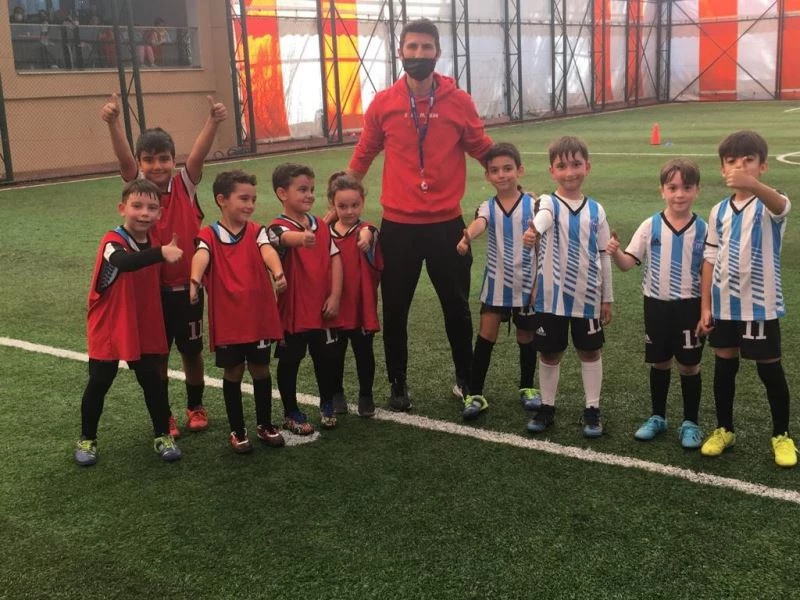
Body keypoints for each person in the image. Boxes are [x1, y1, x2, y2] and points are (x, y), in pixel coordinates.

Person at [347, 17, 494, 411]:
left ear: (437, 53)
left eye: (426, 47)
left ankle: (465, 378)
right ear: (401, 52)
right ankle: (398, 383)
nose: (418, 54)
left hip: (447, 226)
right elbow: (364, 153)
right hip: (399, 228)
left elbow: (482, 148)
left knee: (457, 307)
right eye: (412, 47)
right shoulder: (384, 102)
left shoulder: (458, 101)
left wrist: (512, 186)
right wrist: (337, 203)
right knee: (395, 311)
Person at [101, 92, 227, 438]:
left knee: (191, 351)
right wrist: (113, 122)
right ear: (141, 163)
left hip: (187, 288)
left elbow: (198, 155)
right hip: (150, 292)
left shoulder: (185, 184)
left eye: (164, 159)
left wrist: (213, 121)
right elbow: (124, 159)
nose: (157, 166)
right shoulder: (139, 190)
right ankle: (164, 415)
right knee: (156, 356)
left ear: (173, 160)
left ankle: (195, 405)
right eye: (149, 160)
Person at [696, 130, 797, 468]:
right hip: (724, 304)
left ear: (762, 166)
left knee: (770, 370)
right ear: (722, 169)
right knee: (725, 367)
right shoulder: (718, 211)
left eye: (748, 160)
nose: (739, 166)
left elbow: (782, 207)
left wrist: (752, 185)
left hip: (760, 305)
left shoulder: (769, 202)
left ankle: (781, 435)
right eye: (731, 161)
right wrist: (706, 306)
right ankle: (725, 429)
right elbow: (710, 258)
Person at [74, 179, 183, 466]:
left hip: (142, 323)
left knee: (153, 381)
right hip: (110, 324)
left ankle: (162, 435)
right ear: (122, 208)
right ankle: (87, 439)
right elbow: (124, 263)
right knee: (99, 382)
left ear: (159, 213)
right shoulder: (112, 241)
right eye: (137, 206)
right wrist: (161, 253)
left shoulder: (154, 242)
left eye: (152, 207)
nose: (144, 213)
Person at [606, 159, 706, 448]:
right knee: (660, 362)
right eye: (672, 188)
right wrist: (615, 252)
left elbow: (710, 273)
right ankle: (658, 417)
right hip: (656, 306)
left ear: (697, 190)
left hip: (690, 306)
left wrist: (707, 310)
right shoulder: (650, 226)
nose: (679, 194)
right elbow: (627, 263)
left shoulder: (704, 229)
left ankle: (690, 422)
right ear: (662, 190)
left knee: (689, 365)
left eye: (686, 187)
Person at [190, 170, 286, 453]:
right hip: (229, 319)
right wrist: (194, 280)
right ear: (222, 200)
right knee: (233, 371)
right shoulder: (209, 234)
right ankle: (237, 430)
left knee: (260, 369)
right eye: (243, 198)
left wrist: (277, 272)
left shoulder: (256, 231)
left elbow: (268, 250)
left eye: (253, 199)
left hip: (258, 317)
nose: (250, 205)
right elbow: (201, 254)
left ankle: (265, 424)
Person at [527, 136, 613, 438]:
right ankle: (547, 406)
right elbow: (544, 217)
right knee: (549, 354)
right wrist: (534, 229)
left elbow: (604, 254)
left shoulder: (596, 210)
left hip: (587, 297)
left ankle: (592, 409)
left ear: (587, 166)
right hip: (551, 298)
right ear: (552, 171)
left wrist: (607, 298)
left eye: (576, 164)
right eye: (562, 166)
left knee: (590, 352)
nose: (570, 172)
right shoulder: (548, 202)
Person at [455, 143, 539, 421]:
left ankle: (527, 387)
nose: (501, 175)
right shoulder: (487, 206)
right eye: (495, 170)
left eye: (507, 168)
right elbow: (480, 222)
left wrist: (539, 282)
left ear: (519, 170)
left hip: (527, 284)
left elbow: (543, 241)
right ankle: (475, 393)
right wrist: (467, 236)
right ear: (487, 175)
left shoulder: (534, 205)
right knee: (486, 335)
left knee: (526, 337)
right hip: (496, 283)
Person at [268, 163, 343, 432]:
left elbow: (335, 258)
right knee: (290, 361)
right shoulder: (276, 227)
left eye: (311, 189)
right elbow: (281, 238)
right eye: (302, 189)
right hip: (294, 311)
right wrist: (301, 238)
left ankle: (327, 402)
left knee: (327, 358)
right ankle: (291, 411)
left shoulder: (320, 224)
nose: (309, 194)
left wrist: (335, 295)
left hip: (322, 308)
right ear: (282, 193)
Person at [326, 172, 382, 418]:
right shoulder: (325, 233)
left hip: (360, 306)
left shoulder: (366, 229)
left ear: (362, 203)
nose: (349, 211)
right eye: (342, 206)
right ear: (333, 205)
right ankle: (336, 393)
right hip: (334, 305)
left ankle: (366, 395)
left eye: (354, 205)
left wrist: (365, 240)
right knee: (334, 354)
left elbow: (369, 232)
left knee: (363, 352)